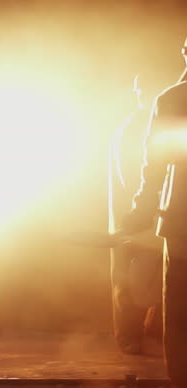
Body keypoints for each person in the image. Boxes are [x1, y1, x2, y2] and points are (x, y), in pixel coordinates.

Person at [116, 38, 187, 387]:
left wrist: (141, 209)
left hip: (181, 218)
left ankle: (182, 374)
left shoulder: (173, 98)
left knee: (179, 305)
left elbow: (155, 163)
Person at [109, 76, 162, 354]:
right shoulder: (134, 128)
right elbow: (132, 177)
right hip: (135, 218)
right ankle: (130, 338)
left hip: (142, 215)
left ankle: (145, 333)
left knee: (145, 281)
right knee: (130, 283)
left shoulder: (146, 123)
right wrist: (144, 210)